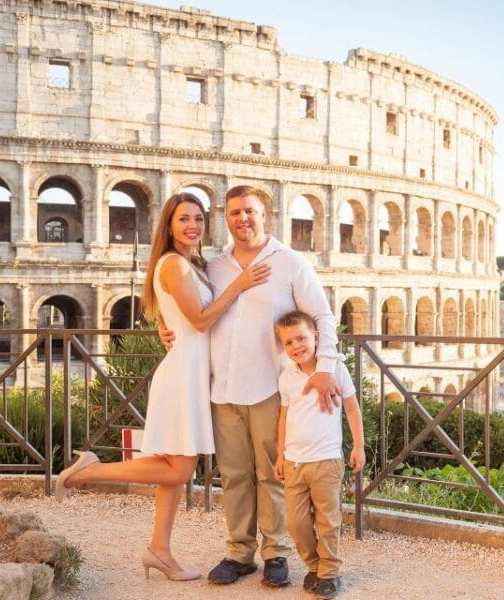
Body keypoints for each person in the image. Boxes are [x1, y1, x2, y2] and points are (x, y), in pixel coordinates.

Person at [54, 192, 270, 582]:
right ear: (169, 226)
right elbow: (202, 321)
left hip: (190, 371)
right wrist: (239, 284)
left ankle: (160, 550)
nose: (193, 226)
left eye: (199, 219)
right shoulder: (174, 264)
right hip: (183, 376)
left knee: (172, 467)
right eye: (184, 219)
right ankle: (88, 472)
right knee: (179, 470)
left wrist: (164, 325)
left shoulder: (190, 264)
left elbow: (182, 317)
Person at [159, 185, 342, 587]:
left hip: (269, 386)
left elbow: (323, 318)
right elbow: (189, 304)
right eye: (236, 212)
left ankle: (275, 552)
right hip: (221, 386)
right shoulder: (214, 265)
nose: (243, 219)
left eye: (251, 212)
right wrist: (163, 326)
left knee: (272, 474)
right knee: (235, 473)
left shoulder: (291, 263)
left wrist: (325, 367)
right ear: (227, 217)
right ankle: (239, 551)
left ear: (266, 215)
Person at [274, 310, 365, 600]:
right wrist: (279, 455)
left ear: (315, 337)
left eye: (301, 338)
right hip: (294, 461)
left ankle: (329, 572)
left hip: (326, 459)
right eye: (288, 342)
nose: (296, 346)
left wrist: (358, 445)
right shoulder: (287, 376)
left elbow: (352, 408)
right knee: (295, 522)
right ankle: (313, 565)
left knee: (328, 520)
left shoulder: (336, 368)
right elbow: (283, 417)